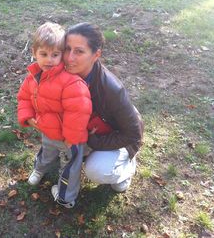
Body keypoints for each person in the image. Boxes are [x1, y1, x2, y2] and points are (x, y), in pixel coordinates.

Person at [17, 22, 92, 208]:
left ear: (62, 55)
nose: (49, 60)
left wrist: (71, 138)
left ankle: (66, 197)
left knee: (69, 166)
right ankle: (39, 169)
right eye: (44, 54)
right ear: (34, 52)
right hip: (47, 131)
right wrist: (27, 117)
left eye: (55, 55)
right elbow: (24, 97)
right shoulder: (33, 76)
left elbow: (78, 112)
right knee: (46, 152)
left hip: (69, 139)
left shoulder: (71, 82)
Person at [63, 23, 144, 192]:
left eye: (79, 51)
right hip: (92, 129)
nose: (69, 58)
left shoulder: (112, 89)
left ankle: (126, 167)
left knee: (97, 170)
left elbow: (133, 134)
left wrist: (93, 141)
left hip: (119, 133)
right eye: (67, 49)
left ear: (96, 55)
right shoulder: (62, 73)